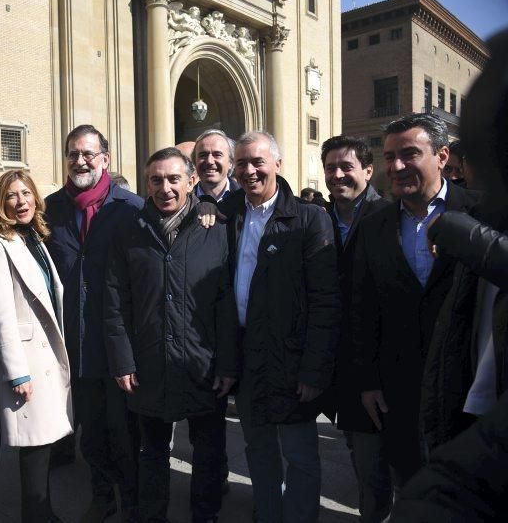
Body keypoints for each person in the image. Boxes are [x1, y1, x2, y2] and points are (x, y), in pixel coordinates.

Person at [349, 113, 481, 521]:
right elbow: (362, 307)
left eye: (410, 154)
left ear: (442, 156)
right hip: (398, 390)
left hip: (467, 389)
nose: (397, 167)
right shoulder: (373, 226)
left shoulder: (481, 215)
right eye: (390, 157)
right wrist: (367, 381)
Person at [104, 147, 236, 522]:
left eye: (174, 178)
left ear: (192, 181)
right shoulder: (129, 232)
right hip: (148, 362)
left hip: (202, 363)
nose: (165, 187)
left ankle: (205, 514)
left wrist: (227, 361)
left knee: (208, 451)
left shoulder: (218, 229)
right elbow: (115, 302)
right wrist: (122, 360)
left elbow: (226, 305)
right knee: (152, 452)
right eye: (156, 180)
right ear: (147, 184)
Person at [220, 131, 340, 523]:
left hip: (292, 361)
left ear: (277, 164)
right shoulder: (228, 214)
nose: (249, 171)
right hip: (248, 358)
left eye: (257, 162)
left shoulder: (309, 219)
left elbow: (325, 301)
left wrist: (314, 369)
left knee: (300, 455)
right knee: (258, 451)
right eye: (241, 163)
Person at [44, 124, 143, 520]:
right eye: (73, 154)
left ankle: (133, 501)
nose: (80, 161)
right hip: (74, 346)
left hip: (119, 346)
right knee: (92, 435)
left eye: (88, 153)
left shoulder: (131, 207)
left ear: (105, 158)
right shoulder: (50, 209)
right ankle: (101, 496)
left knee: (125, 433)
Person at [0, 170, 73, 522]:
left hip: (46, 352)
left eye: (26, 194)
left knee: (45, 442)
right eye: (11, 196)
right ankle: (36, 515)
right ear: (1, 203)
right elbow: (1, 311)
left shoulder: (35, 237)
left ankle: (43, 511)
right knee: (34, 444)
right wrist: (16, 372)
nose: (20, 201)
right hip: (28, 359)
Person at [320, 135, 391, 522]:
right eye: (331, 168)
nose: (338, 175)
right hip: (335, 363)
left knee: (376, 460)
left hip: (380, 362)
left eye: (346, 167)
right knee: (357, 451)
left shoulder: (389, 217)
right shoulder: (317, 218)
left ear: (367, 170)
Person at [192, 129, 240, 203]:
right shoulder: (183, 202)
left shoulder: (246, 199)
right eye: (203, 155)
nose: (209, 161)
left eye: (217, 155)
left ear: (231, 162)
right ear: (195, 161)